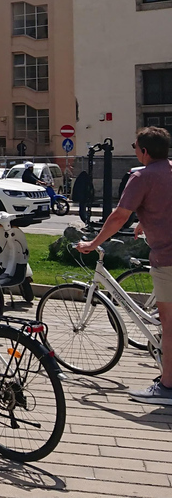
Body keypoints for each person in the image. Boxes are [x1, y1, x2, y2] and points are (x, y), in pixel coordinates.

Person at [76, 126, 172, 405]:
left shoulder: (141, 176)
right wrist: (147, 219)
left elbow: (119, 216)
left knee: (168, 324)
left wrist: (93, 244)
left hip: (167, 258)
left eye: (134, 146)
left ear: (143, 151)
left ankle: (167, 387)